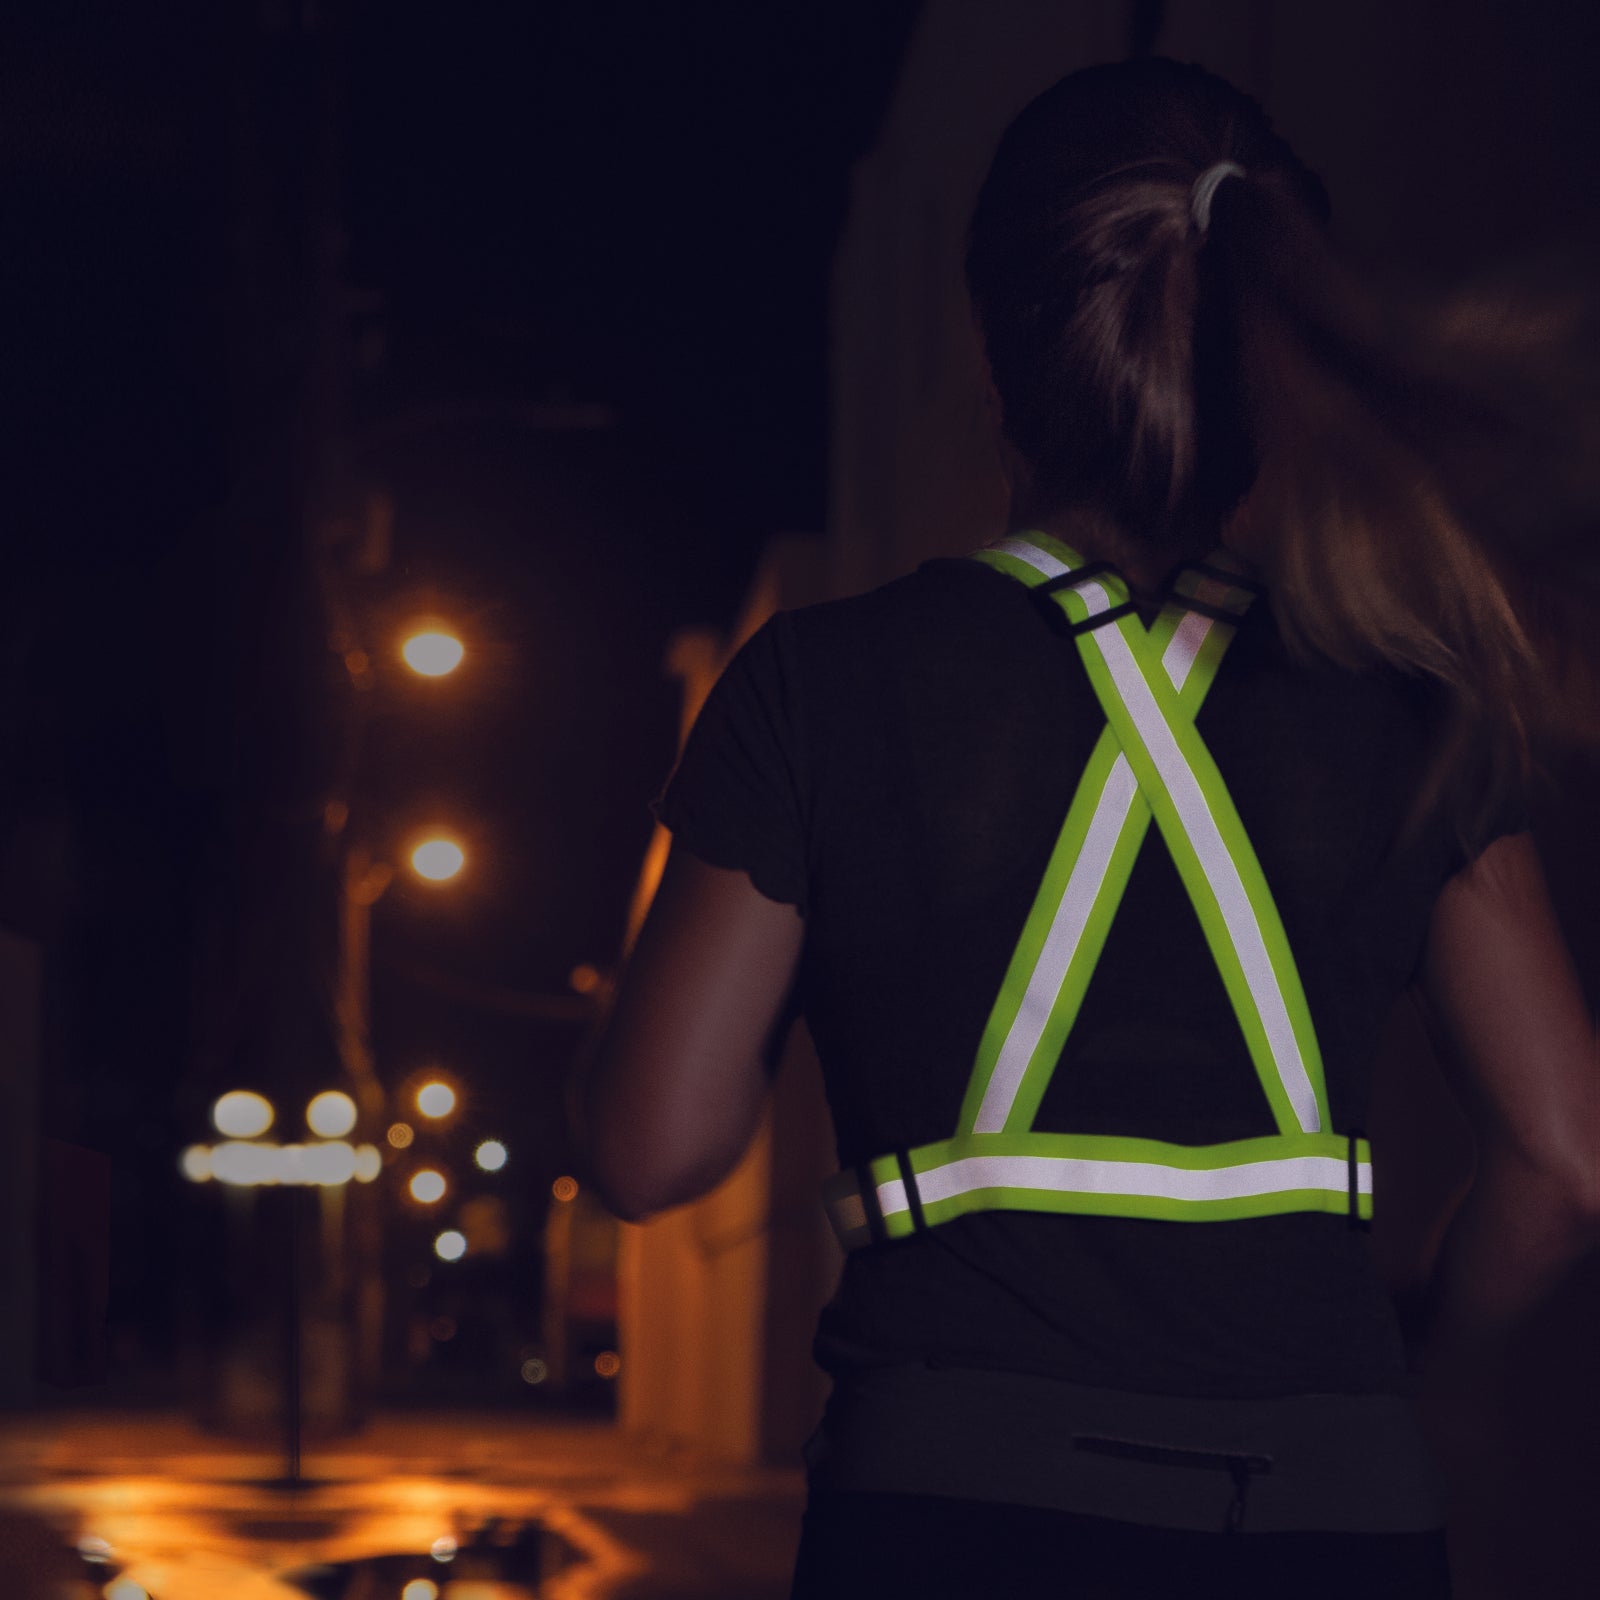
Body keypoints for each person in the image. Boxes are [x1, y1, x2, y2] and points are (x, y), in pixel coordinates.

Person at [575, 58, 1599, 1600]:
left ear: (995, 361)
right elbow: (1568, 1161)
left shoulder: (819, 686)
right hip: (1337, 1510)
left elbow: (651, 1152)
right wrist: (1389, 1370)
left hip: (954, 1510)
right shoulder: (1409, 693)